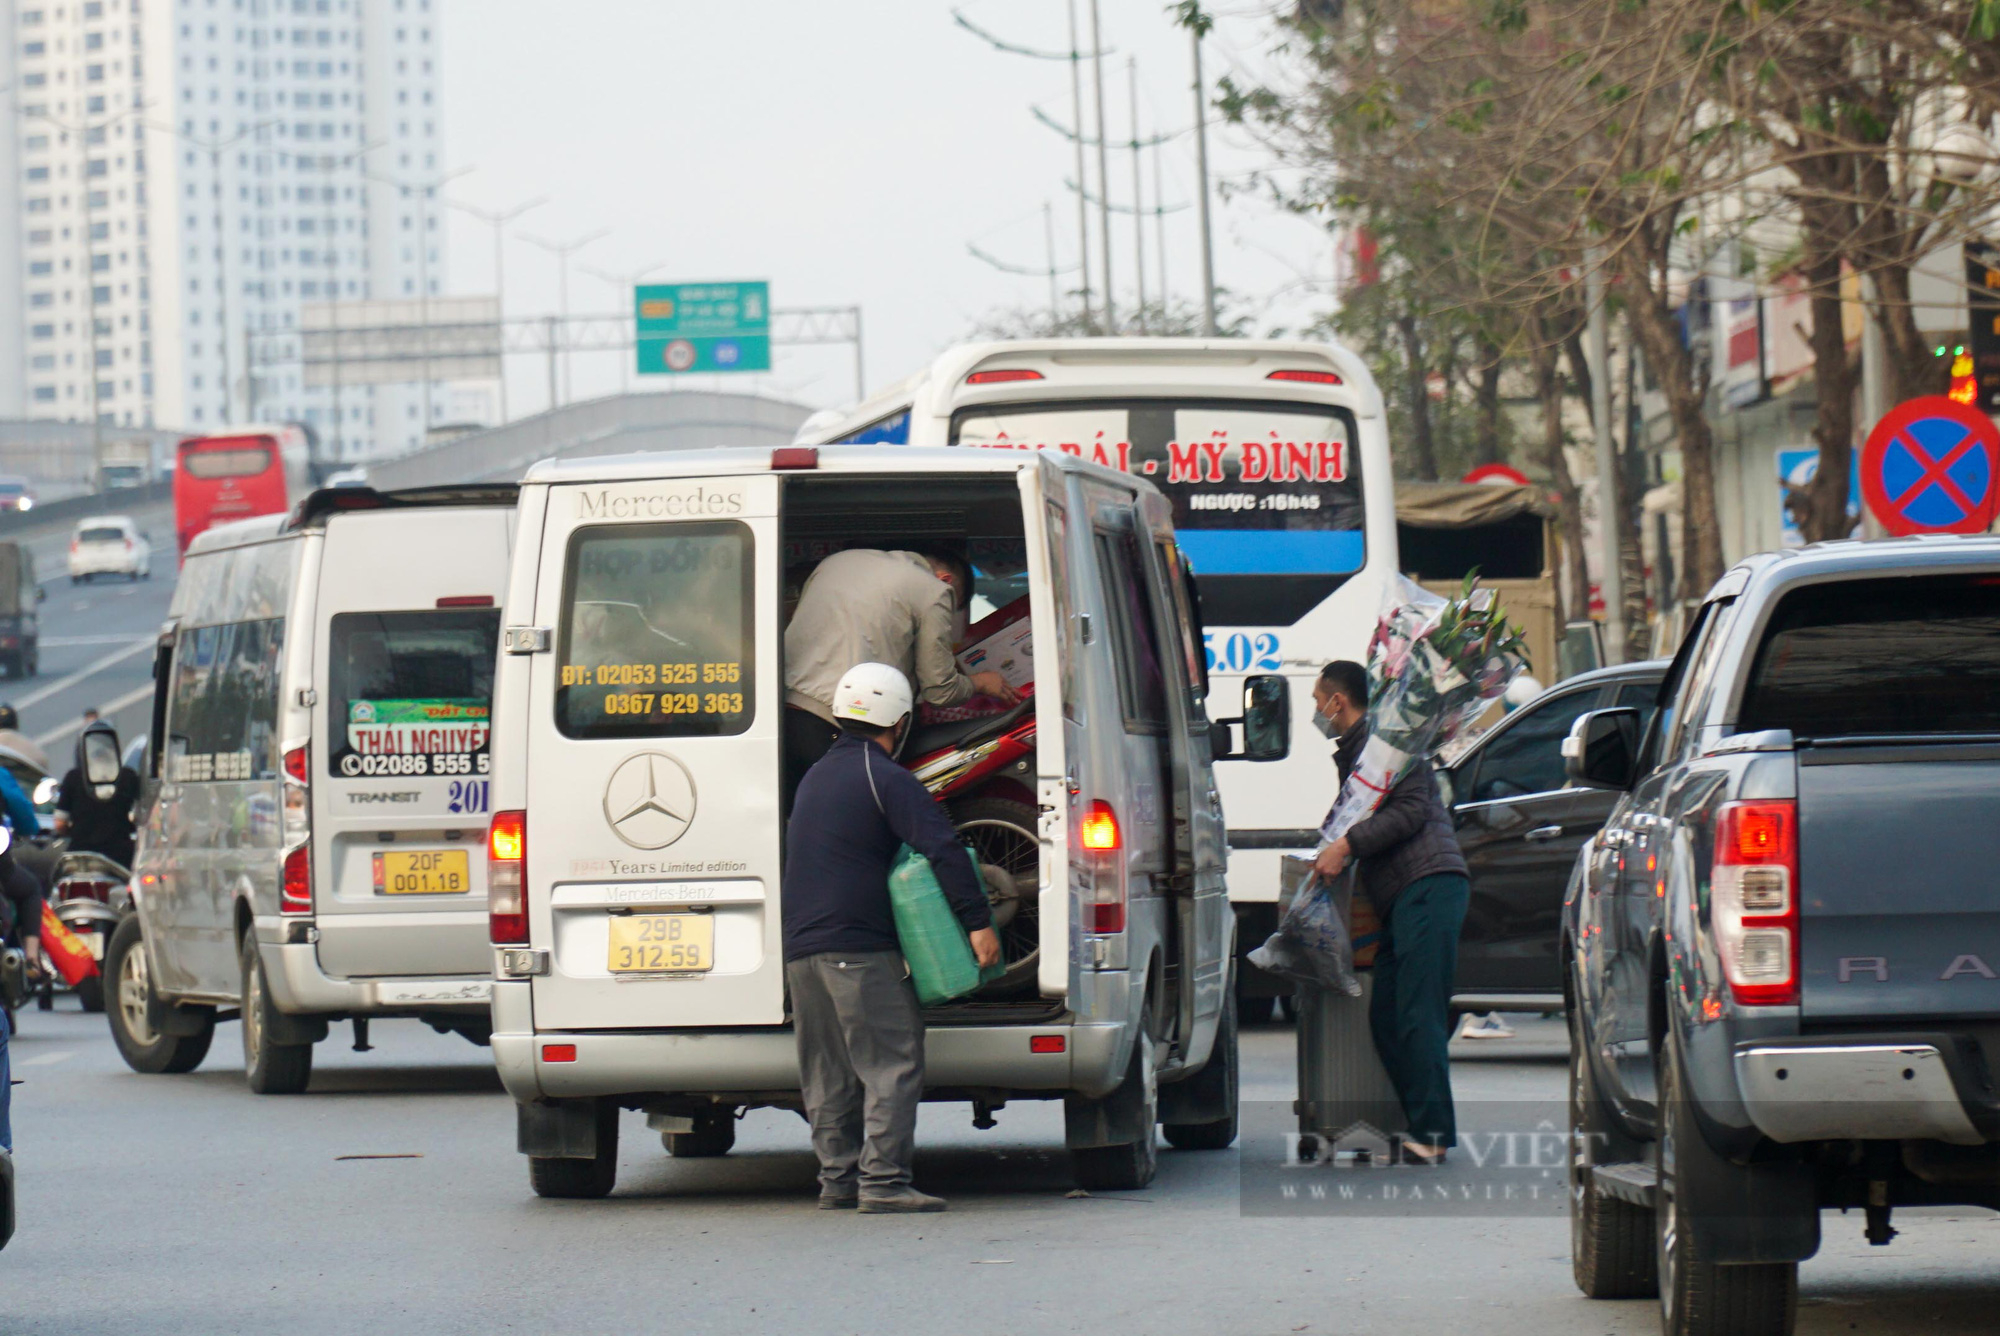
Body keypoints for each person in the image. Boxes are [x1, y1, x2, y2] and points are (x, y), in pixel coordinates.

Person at [782, 662, 999, 1213]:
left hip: (803, 954)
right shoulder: (886, 777)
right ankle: (882, 1182)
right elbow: (943, 849)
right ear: (899, 723)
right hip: (858, 949)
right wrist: (977, 923)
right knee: (891, 1061)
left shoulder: (816, 776)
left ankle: (837, 1181)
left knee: (827, 1070)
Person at [1310, 660, 1471, 1166]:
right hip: (1402, 895)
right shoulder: (1359, 751)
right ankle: (1420, 1125)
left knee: (1418, 1012)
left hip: (1429, 884)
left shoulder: (1393, 743)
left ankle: (1433, 1133)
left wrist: (1347, 845)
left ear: (1339, 701)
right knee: (1387, 1015)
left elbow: (1411, 811)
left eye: (1319, 701)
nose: (1318, 712)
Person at [782, 547, 1016, 801]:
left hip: (786, 715)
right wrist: (980, 682)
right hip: (839, 724)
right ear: (945, 580)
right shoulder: (933, 589)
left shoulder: (837, 561)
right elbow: (940, 690)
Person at [54, 721, 141, 870]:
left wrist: (76, 830)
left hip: (80, 856)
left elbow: (60, 824)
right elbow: (143, 815)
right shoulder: (128, 777)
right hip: (120, 855)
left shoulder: (72, 778)